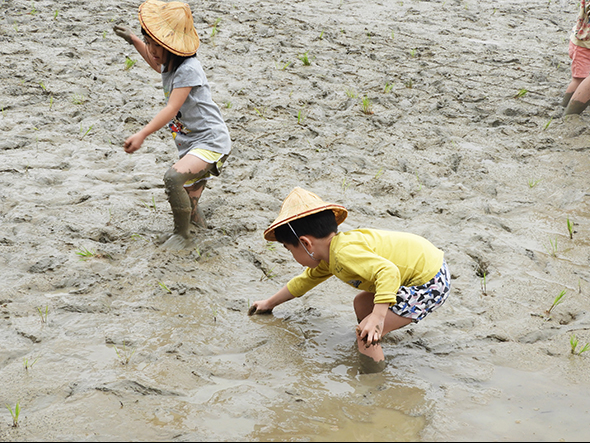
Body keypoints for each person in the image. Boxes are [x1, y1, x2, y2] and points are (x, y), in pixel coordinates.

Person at [248, 187, 451, 373]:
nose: (292, 255)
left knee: (363, 332)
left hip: (429, 281)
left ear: (306, 244)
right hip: (427, 268)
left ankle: (374, 382)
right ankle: (374, 339)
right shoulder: (330, 254)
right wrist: (269, 303)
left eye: (289, 249)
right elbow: (303, 282)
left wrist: (378, 317)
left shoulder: (344, 254)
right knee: (362, 303)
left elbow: (388, 272)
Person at [113, 0, 231, 249]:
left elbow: (171, 108)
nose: (151, 49)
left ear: (173, 47)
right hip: (191, 142)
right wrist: (134, 40)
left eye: (156, 45)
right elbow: (157, 64)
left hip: (210, 141)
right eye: (149, 43)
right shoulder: (170, 63)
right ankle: (196, 223)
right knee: (189, 199)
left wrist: (143, 133)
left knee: (173, 179)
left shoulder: (189, 69)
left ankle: (182, 235)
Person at [563, 0, 590, 115]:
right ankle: (568, 113)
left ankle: (565, 110)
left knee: (580, 79)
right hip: (583, 45)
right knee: (579, 79)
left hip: (582, 41)